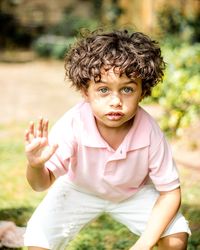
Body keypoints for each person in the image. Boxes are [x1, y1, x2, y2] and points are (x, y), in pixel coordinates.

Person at [24, 29, 191, 250]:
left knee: (176, 238)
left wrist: (144, 244)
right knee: (37, 242)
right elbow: (40, 184)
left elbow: (170, 192)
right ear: (86, 91)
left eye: (127, 89)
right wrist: (35, 166)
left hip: (133, 193)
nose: (115, 101)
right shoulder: (74, 123)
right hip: (78, 189)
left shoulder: (149, 131)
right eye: (103, 89)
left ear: (143, 91)